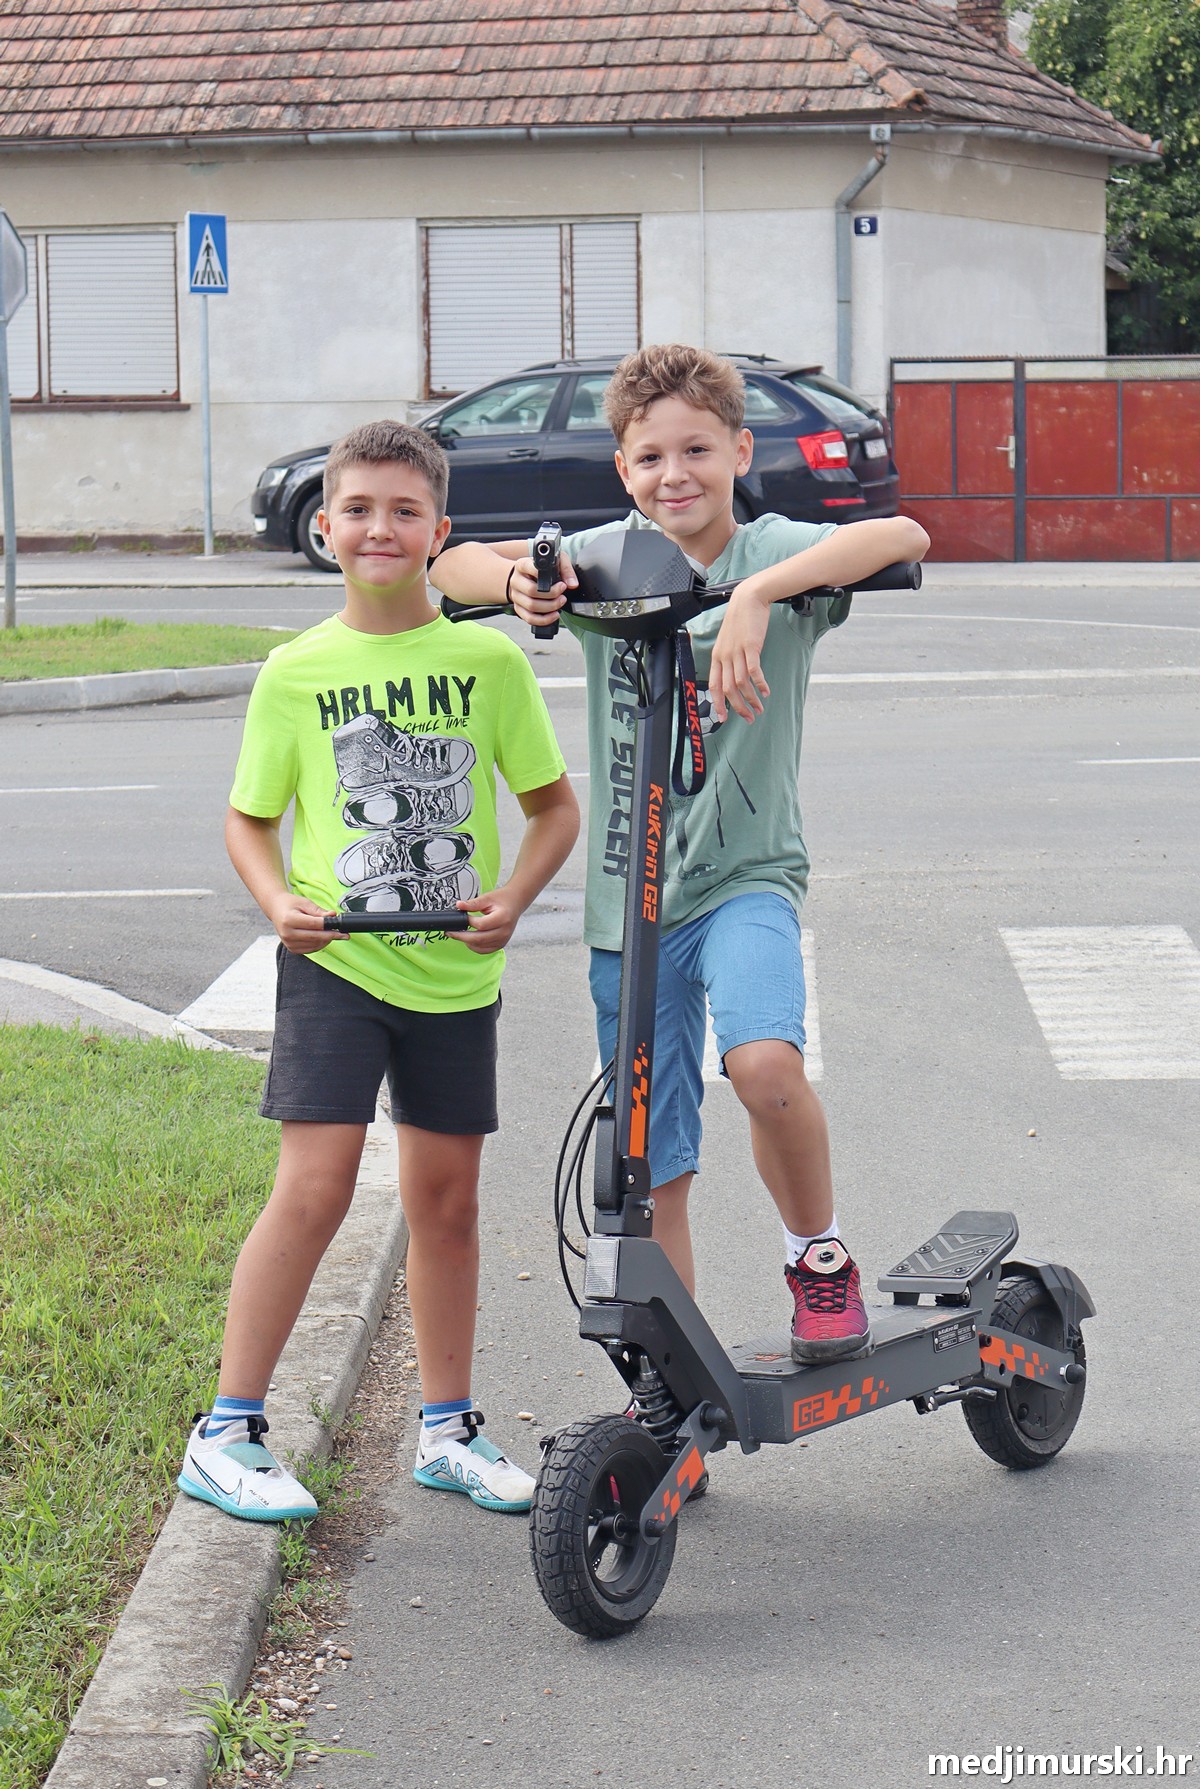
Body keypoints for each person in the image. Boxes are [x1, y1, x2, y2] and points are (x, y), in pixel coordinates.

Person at [431, 345, 929, 1366]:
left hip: (745, 880)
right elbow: (450, 565)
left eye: (698, 450)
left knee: (766, 1068)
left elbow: (903, 534)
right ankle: (675, 1380)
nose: (675, 474)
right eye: (651, 457)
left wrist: (758, 594)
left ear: (740, 452)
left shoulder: (775, 551)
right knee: (648, 1167)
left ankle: (818, 1256)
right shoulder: (606, 558)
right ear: (623, 469)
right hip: (630, 902)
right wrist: (522, 580)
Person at [178, 420, 579, 1521]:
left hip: (454, 976)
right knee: (314, 1188)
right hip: (338, 970)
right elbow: (249, 820)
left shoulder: (489, 663)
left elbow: (553, 811)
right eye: (358, 508)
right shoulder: (296, 671)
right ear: (325, 525)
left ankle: (448, 1431)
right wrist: (277, 905)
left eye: (406, 511)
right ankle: (226, 1432)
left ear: (441, 531)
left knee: (446, 1203)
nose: (380, 528)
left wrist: (513, 899)